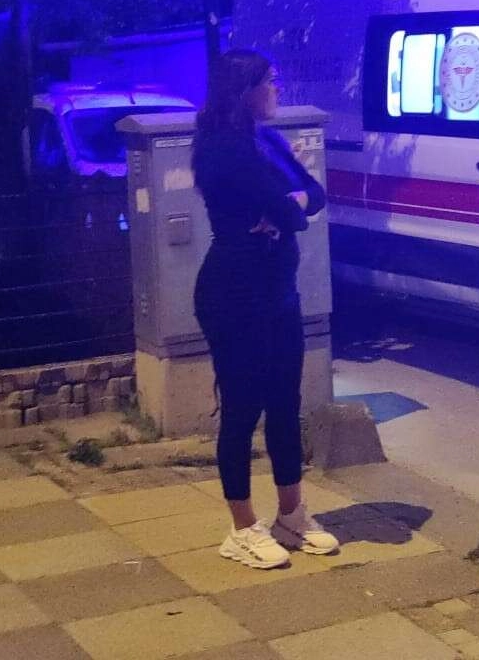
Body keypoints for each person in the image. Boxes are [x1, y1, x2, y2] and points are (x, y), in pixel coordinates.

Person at [192, 49, 339, 569]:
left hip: (278, 289)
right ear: (245, 90)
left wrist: (288, 205)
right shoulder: (222, 147)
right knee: (241, 408)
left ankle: (291, 514)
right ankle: (241, 529)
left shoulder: (267, 139)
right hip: (234, 294)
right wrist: (288, 207)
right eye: (269, 81)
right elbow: (293, 212)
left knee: (284, 402)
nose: (277, 89)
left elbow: (314, 195)